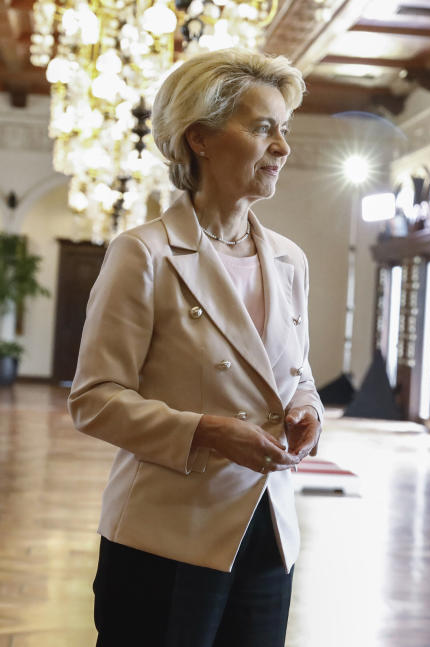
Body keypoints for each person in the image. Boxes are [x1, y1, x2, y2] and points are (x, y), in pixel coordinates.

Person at [68, 48, 323, 647]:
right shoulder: (143, 254)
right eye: (264, 128)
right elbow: (94, 398)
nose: (283, 147)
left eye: (284, 130)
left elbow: (296, 371)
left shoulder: (290, 260)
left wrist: (307, 412)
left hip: (268, 534)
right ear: (201, 139)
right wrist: (205, 431)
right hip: (166, 537)